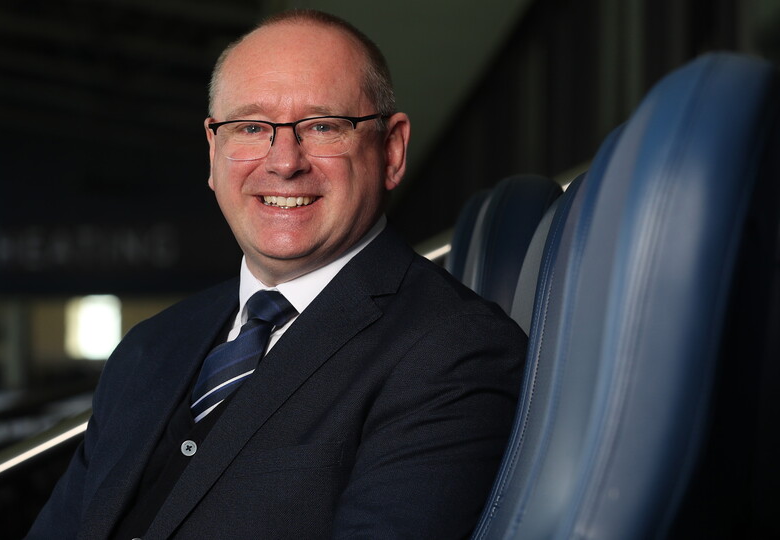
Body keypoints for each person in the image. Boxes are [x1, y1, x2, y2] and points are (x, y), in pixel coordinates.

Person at [27, 9, 525, 540]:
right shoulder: (151, 347)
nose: (284, 162)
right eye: (249, 127)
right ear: (214, 153)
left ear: (392, 150)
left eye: (324, 126)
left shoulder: (454, 352)